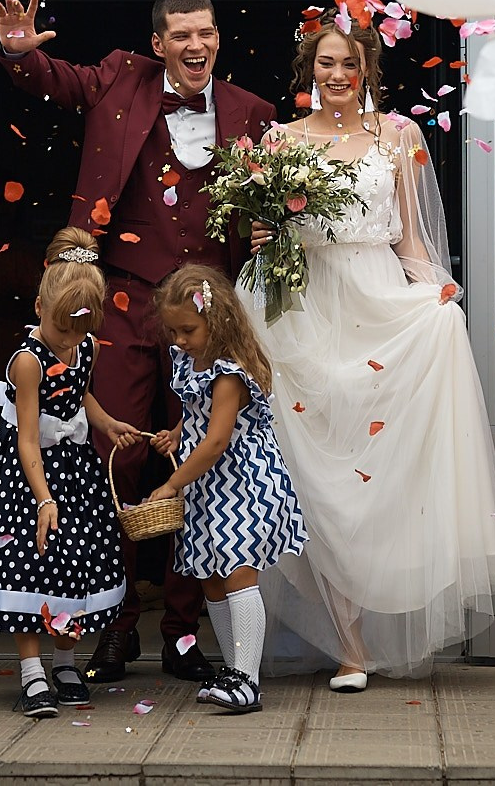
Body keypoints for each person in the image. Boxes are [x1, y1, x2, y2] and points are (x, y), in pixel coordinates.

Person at [0, 0, 276, 683]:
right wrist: (18, 52)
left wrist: (270, 229)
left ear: (217, 39)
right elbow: (53, 78)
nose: (194, 45)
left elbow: (270, 205)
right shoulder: (121, 76)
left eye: (204, 33)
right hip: (120, 296)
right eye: (180, 34)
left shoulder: (254, 114)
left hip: (208, 313)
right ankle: (115, 624)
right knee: (113, 452)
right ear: (158, 43)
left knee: (198, 463)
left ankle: (181, 630)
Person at [247, 23, 495, 688]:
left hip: (376, 307)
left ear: (368, 69)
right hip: (304, 314)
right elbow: (268, 240)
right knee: (315, 476)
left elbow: (413, 241)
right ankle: (351, 647)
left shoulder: (400, 137)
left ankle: (371, 621)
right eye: (327, 62)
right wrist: (261, 235)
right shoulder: (279, 140)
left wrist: (436, 299)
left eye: (350, 62)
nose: (338, 73)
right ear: (309, 67)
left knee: (371, 474)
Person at [0, 228, 146, 717]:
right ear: (39, 308)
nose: (70, 341)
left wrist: (106, 422)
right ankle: (32, 673)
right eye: (63, 332)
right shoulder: (27, 362)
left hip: (75, 471)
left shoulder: (86, 348)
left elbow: (81, 397)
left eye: (79, 332)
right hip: (27, 475)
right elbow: (29, 437)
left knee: (72, 563)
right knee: (31, 563)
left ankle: (65, 661)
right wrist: (43, 499)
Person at [145, 268, 307, 716]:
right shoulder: (190, 362)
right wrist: (179, 433)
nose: (179, 340)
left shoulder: (229, 371)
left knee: (237, 572)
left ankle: (247, 680)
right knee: (211, 579)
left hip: (242, 483)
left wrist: (173, 482)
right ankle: (235, 668)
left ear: (217, 322)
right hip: (208, 486)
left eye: (188, 330)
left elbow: (217, 439)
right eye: (173, 331)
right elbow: (199, 416)